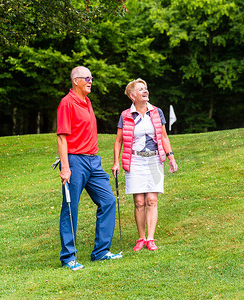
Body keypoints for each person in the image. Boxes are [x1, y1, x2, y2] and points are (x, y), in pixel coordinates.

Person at [56, 66, 122, 270]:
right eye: (87, 78)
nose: (90, 81)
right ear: (75, 81)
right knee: (70, 207)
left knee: (109, 201)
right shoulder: (67, 103)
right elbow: (61, 137)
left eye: (91, 78)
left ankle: (101, 252)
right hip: (75, 161)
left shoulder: (87, 102)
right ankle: (68, 257)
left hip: (94, 161)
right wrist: (65, 167)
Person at [112, 78, 178, 251]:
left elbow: (163, 136)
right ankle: (141, 238)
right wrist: (116, 162)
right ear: (133, 96)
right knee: (139, 201)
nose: (145, 91)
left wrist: (171, 157)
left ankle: (150, 239)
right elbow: (118, 141)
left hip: (154, 160)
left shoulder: (156, 112)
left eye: (146, 88)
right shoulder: (126, 115)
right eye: (141, 89)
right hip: (135, 161)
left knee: (152, 200)